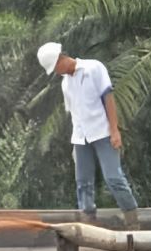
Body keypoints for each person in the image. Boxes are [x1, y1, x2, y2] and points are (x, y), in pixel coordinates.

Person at [37, 42, 141, 230]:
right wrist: (75, 146)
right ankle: (88, 219)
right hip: (80, 137)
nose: (57, 72)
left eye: (56, 68)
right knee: (83, 181)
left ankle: (132, 219)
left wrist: (114, 130)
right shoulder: (65, 84)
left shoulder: (94, 68)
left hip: (102, 132)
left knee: (113, 178)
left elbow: (108, 99)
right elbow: (75, 114)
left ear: (61, 59)